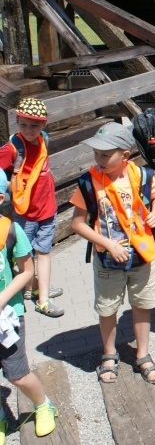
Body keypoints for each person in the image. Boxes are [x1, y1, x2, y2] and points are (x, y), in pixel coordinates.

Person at [70, 123, 155, 381]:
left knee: (142, 305)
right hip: (107, 260)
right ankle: (109, 353)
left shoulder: (142, 177)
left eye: (105, 154)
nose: (98, 159)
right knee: (107, 308)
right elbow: (77, 223)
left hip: (143, 255)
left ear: (124, 156)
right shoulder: (88, 183)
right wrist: (109, 243)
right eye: (96, 154)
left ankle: (142, 353)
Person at [0, 171, 58, 440]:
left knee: (17, 375)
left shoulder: (10, 229)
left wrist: (2, 299)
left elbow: (26, 271)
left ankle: (43, 405)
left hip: (7, 316)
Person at [0, 98, 63, 318]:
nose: (29, 130)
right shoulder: (12, 148)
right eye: (24, 124)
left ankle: (42, 296)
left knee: (43, 252)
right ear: (17, 121)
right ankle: (29, 290)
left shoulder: (43, 139)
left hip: (47, 207)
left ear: (43, 125)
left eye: (34, 125)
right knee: (24, 255)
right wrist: (9, 186)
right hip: (25, 212)